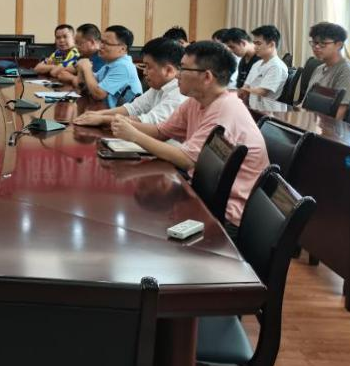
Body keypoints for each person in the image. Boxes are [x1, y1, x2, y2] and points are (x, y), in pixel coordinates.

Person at [111, 41, 269, 236]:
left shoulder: (225, 109)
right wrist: (123, 122)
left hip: (227, 215)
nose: (177, 74)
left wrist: (134, 135)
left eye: (183, 69)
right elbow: (161, 131)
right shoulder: (196, 101)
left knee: (144, 229)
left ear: (207, 77)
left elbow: (186, 160)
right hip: (203, 193)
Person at [74, 37, 185, 126]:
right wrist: (98, 114)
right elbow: (133, 108)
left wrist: (102, 119)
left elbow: (149, 121)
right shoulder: (159, 87)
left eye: (148, 67)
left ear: (168, 70)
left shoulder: (179, 93)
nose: (144, 72)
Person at [303, 21, 350, 119]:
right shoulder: (319, 69)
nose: (316, 47)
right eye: (315, 42)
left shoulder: (348, 72)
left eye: (323, 43)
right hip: (310, 120)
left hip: (327, 126)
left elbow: (339, 114)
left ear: (339, 45)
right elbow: (305, 105)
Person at [72, 25, 143, 106]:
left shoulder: (123, 66)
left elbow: (99, 94)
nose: (100, 46)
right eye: (101, 42)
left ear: (122, 49)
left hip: (125, 113)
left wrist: (86, 68)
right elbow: (93, 81)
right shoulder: (112, 63)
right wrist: (82, 70)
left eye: (106, 43)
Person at [238, 25, 288, 101]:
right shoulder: (257, 64)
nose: (255, 47)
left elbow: (261, 92)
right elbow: (246, 86)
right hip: (250, 103)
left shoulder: (277, 66)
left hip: (265, 107)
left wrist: (241, 91)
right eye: (254, 43)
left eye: (258, 43)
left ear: (271, 45)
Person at [58, 23, 106, 87]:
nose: (76, 47)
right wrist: (74, 79)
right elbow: (61, 73)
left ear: (92, 42)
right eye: (76, 43)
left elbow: (91, 85)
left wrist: (74, 79)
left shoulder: (103, 58)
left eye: (79, 43)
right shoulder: (83, 57)